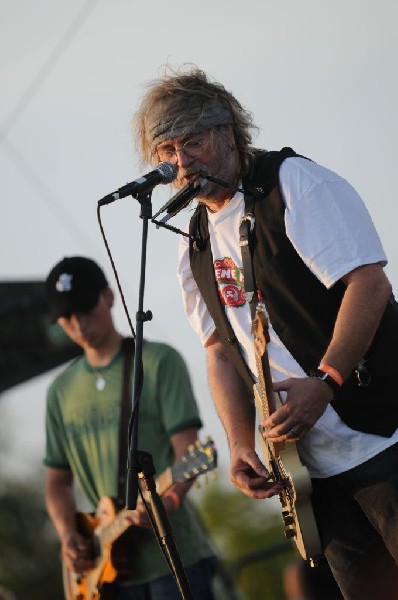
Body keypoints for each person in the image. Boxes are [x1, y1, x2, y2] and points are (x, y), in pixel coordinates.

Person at [132, 66, 398, 600]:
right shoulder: (195, 240)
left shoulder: (295, 183)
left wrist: (326, 381)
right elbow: (219, 353)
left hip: (385, 434)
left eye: (193, 142)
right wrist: (238, 444)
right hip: (312, 473)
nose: (181, 164)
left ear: (229, 132)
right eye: (166, 151)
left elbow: (369, 285)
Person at [43, 255, 217, 599]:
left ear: (108, 296)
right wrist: (68, 535)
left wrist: (169, 499)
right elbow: (57, 482)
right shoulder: (59, 393)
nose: (79, 325)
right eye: (66, 317)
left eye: (85, 309)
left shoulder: (158, 361)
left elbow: (189, 451)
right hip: (106, 578)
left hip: (175, 562)